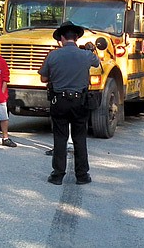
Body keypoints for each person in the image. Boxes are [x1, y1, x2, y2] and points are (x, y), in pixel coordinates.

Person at [38, 21, 100, 185]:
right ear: (77, 38)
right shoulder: (85, 55)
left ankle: (58, 175)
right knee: (80, 138)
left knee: (60, 138)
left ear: (63, 38)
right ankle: (82, 175)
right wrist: (91, 50)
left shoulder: (53, 55)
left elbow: (43, 78)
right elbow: (97, 63)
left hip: (59, 101)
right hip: (80, 101)